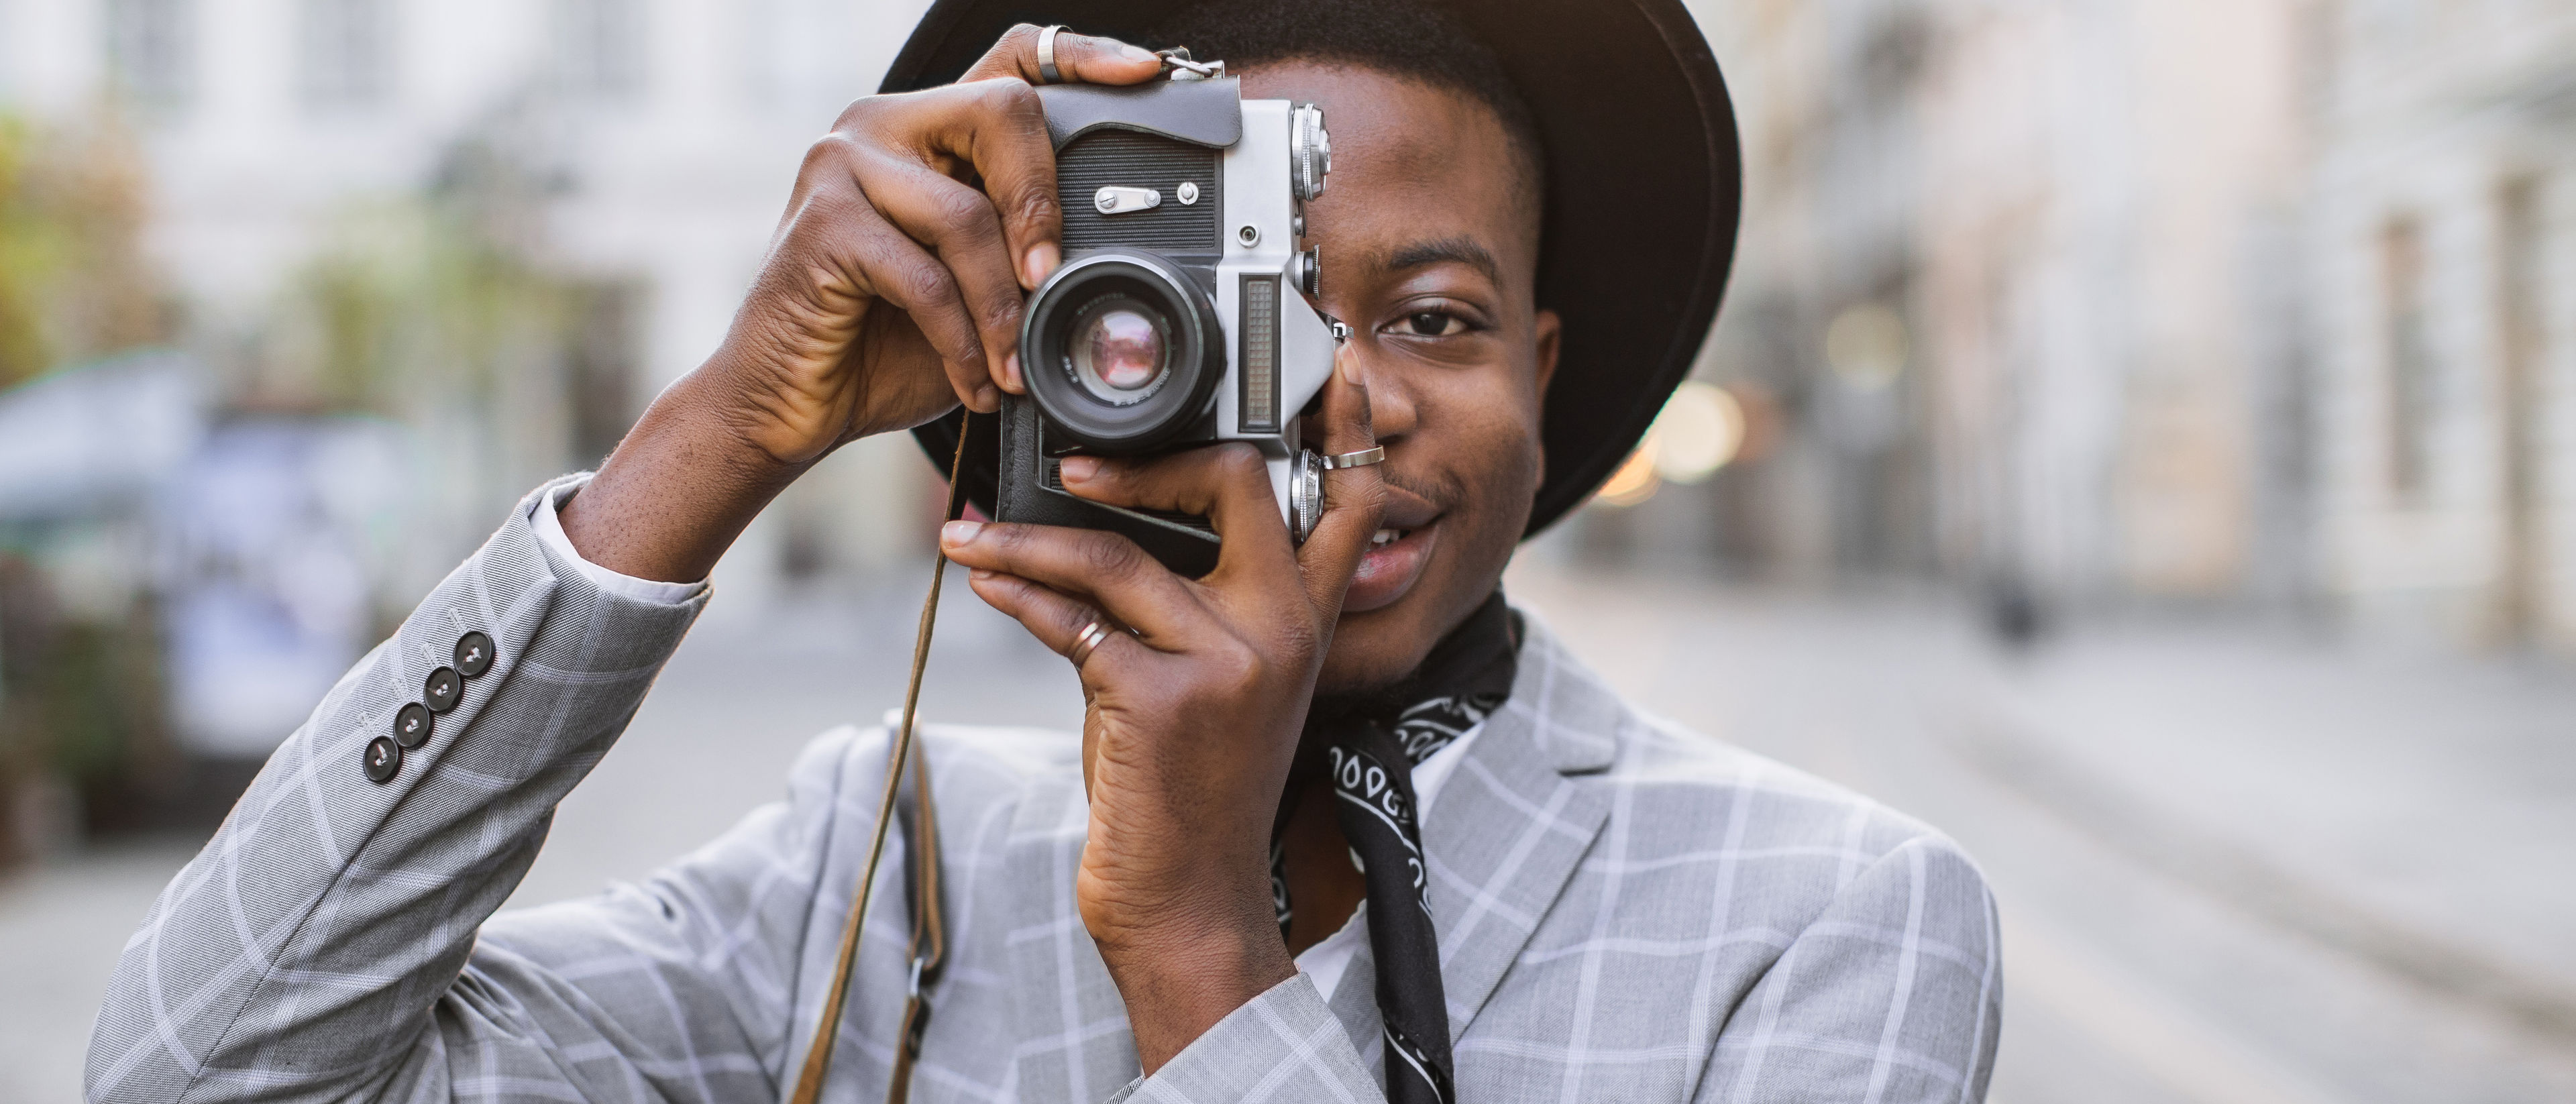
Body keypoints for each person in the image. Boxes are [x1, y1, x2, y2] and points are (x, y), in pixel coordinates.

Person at [88, 1, 2002, 1101]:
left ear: (1543, 370)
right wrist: (710, 440)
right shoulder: (892, 864)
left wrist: (1193, 951)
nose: (1337, 406)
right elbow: (197, 1077)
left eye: (1432, 319)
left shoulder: (1825, 923)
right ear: (1062, 345)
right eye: (1228, 318)